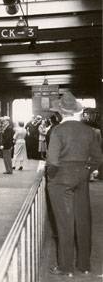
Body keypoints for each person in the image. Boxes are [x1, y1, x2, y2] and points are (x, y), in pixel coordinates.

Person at [46, 92, 102, 277]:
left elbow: (52, 161)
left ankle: (65, 267)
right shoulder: (89, 131)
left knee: (64, 223)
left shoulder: (58, 130)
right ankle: (84, 265)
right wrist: (86, 171)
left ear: (61, 112)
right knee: (83, 220)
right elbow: (98, 158)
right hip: (81, 177)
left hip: (60, 178)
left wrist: (51, 178)